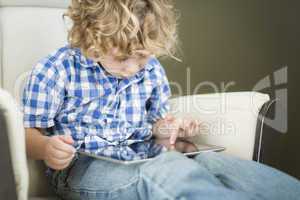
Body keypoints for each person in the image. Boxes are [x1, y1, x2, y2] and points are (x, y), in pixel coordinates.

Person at [22, 0, 300, 199]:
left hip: (142, 150)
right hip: (83, 166)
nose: (133, 69)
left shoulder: (152, 69)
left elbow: (155, 124)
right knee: (166, 172)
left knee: (217, 164)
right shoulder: (55, 70)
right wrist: (47, 147)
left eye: (142, 57)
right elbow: (24, 135)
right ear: (90, 40)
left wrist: (167, 128)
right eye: (122, 58)